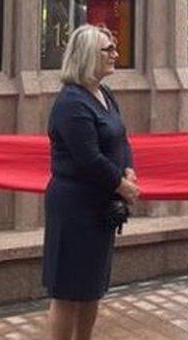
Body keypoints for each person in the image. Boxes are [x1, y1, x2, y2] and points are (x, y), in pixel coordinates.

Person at [43, 24, 141, 339]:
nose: (115, 53)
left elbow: (120, 138)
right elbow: (87, 158)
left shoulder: (103, 93)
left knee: (91, 288)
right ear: (87, 55)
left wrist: (129, 171)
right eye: (108, 49)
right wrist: (122, 185)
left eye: (114, 47)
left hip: (101, 207)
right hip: (75, 208)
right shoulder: (72, 102)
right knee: (68, 291)